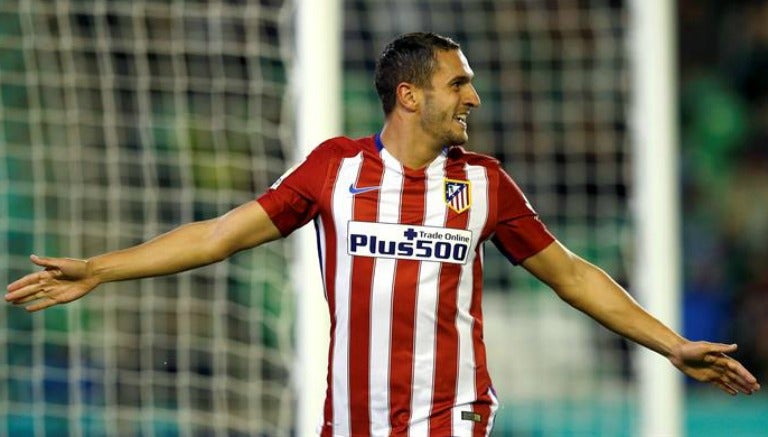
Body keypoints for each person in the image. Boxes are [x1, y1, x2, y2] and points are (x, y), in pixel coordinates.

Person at [4, 32, 760, 437]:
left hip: (453, 414)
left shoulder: (485, 183)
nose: (474, 96)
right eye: (458, 83)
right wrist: (100, 268)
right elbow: (218, 236)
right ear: (410, 95)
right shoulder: (333, 170)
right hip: (352, 418)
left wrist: (672, 345)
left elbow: (571, 273)